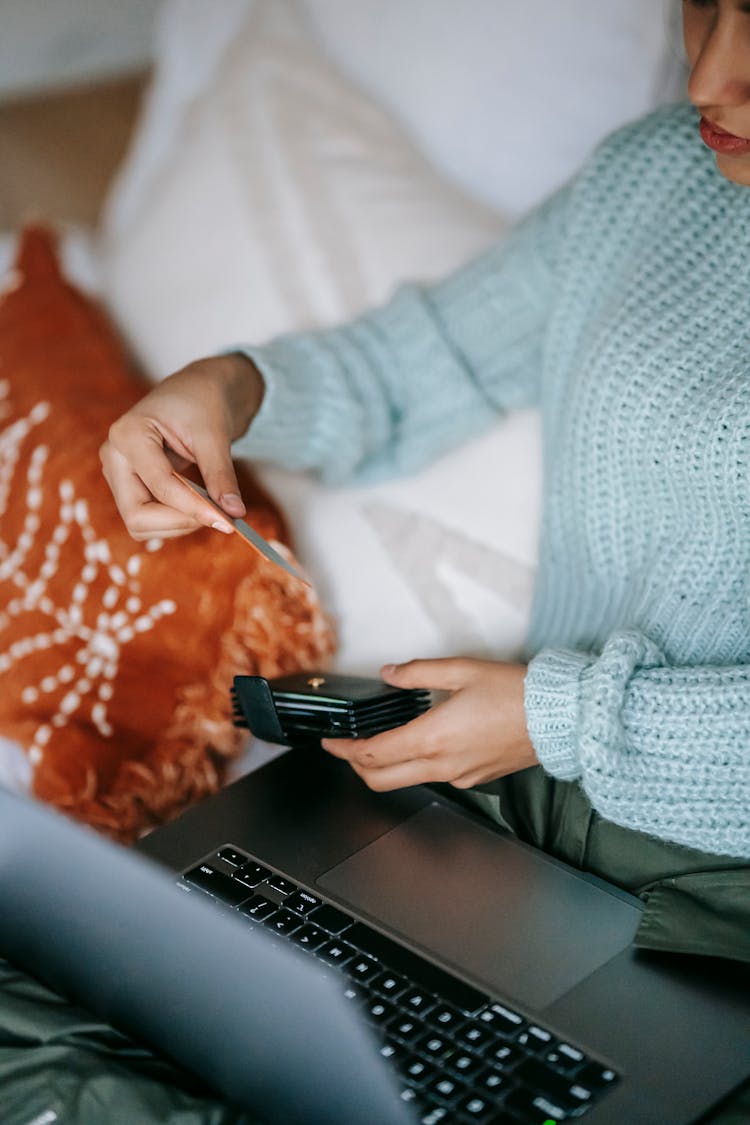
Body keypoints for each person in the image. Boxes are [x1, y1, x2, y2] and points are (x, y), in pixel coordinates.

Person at [102, 0, 750, 982]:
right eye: (703, 8)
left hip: (714, 892)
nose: (709, 78)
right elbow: (418, 366)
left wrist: (560, 720)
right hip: (531, 792)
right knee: (102, 985)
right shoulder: (659, 172)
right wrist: (234, 388)